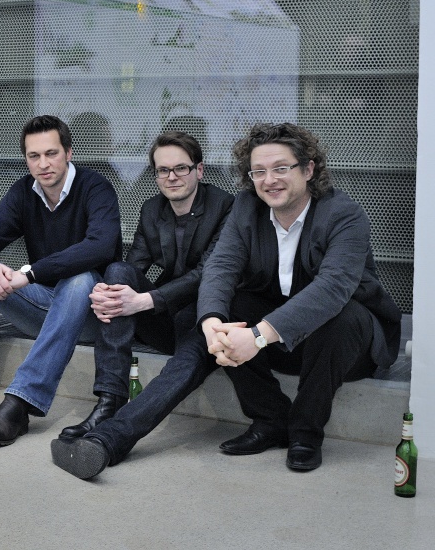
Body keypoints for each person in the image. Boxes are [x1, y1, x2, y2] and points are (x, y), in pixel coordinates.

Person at [53, 123, 401, 478]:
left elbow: (332, 289)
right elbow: (221, 267)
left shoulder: (343, 214)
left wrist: (258, 336)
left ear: (308, 169)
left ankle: (305, 433)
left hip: (345, 347)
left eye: (281, 168)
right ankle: (110, 440)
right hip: (280, 342)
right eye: (259, 171)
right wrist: (211, 324)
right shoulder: (248, 207)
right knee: (225, 313)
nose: (269, 180)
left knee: (340, 317)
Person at [0, 115, 121, 446]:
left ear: (68, 153)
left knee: (80, 279)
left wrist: (30, 274)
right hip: (42, 307)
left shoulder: (95, 188)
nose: (43, 164)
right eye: (34, 156)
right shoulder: (23, 192)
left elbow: (100, 246)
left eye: (51, 153)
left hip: (88, 316)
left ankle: (20, 403)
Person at [56, 131, 233, 441]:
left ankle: (116, 424)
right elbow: (133, 267)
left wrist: (145, 300)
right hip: (164, 320)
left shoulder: (225, 206)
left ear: (199, 170)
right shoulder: (152, 209)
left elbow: (208, 272)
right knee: (116, 272)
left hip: (204, 320)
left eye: (181, 168)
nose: (172, 177)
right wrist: (107, 291)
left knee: (125, 285)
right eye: (163, 170)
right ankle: (109, 399)